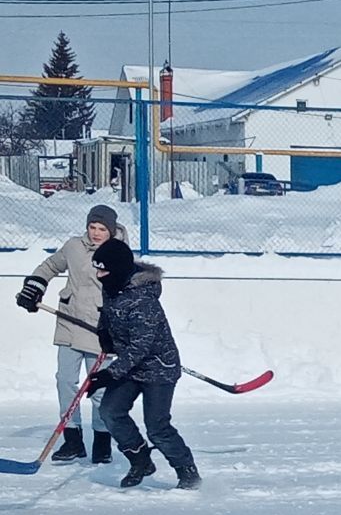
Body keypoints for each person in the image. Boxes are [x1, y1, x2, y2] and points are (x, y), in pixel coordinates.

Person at [14, 204, 129, 464]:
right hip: (69, 324)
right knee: (65, 381)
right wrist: (34, 287)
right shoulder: (74, 247)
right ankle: (73, 440)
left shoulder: (119, 253)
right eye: (92, 227)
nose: (96, 233)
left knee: (98, 390)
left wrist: (119, 327)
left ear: (111, 230)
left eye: (102, 229)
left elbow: (128, 290)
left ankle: (102, 443)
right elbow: (49, 266)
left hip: (100, 330)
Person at [86, 238, 201, 491]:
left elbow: (140, 347)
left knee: (157, 427)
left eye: (102, 269)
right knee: (110, 412)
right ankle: (140, 460)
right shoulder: (112, 286)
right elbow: (108, 313)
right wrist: (104, 333)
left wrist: (109, 374)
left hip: (159, 368)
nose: (98, 274)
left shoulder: (143, 301)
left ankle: (187, 471)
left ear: (116, 269)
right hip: (131, 367)